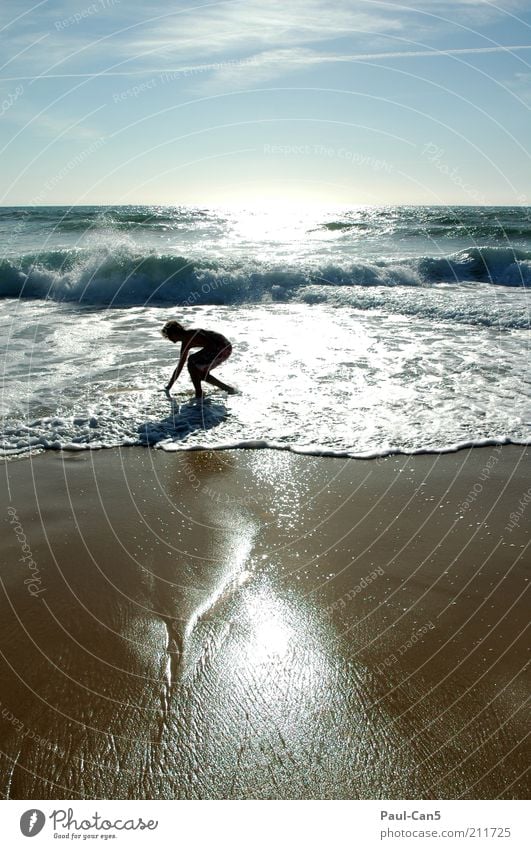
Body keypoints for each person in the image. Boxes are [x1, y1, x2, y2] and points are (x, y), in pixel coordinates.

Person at [161, 320, 236, 398]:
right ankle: (228, 389)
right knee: (200, 373)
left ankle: (199, 393)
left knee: (192, 362)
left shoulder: (192, 334)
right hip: (222, 349)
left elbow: (211, 344)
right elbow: (180, 366)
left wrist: (199, 367)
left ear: (174, 332)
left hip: (223, 346)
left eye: (168, 336)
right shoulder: (185, 344)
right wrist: (169, 386)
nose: (168, 338)